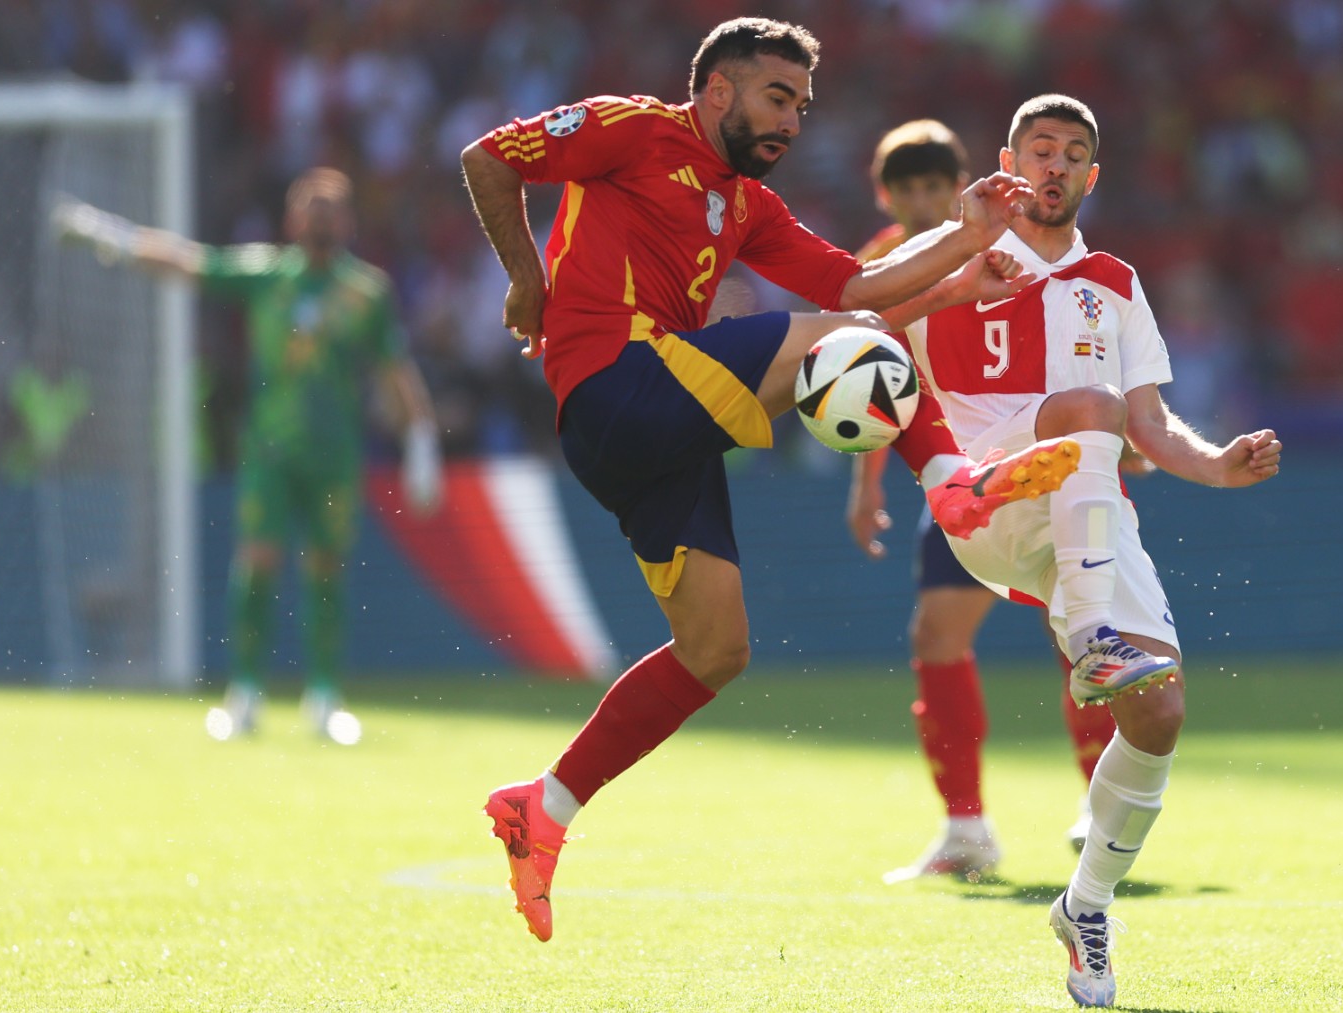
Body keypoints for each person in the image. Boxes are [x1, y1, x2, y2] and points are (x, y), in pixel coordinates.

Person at [458, 17, 1085, 944]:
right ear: (718, 91)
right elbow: (487, 158)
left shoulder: (746, 205)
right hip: (617, 383)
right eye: (777, 97)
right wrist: (525, 282)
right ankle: (952, 485)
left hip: (651, 433)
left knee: (716, 649)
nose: (792, 119)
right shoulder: (634, 128)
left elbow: (855, 283)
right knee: (852, 351)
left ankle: (542, 808)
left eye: (803, 103)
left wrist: (965, 239)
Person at [886, 95, 1282, 1008]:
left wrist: (1217, 467)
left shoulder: (1114, 281)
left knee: (1162, 713)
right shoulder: (955, 246)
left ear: (1091, 177)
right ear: (1008, 161)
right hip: (983, 497)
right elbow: (857, 324)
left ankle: (1086, 905)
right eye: (1040, 150)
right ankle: (1092, 646)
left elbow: (1150, 423)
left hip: (1082, 510)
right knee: (1086, 410)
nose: (1055, 165)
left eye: (1072, 154)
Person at [52, 168, 442, 745]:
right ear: (291, 218)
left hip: (334, 453)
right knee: (258, 560)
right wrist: (116, 237)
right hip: (270, 449)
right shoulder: (264, 276)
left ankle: (325, 697)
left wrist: (422, 438)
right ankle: (246, 692)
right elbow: (188, 262)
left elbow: (393, 369)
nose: (321, 215)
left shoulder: (365, 292)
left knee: (325, 567)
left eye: (332, 206)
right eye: (311, 205)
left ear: (349, 221)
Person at [844, 120, 1118, 884]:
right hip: (962, 476)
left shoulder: (1017, 237)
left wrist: (1117, 427)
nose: (927, 200)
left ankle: (1104, 806)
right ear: (887, 195)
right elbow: (871, 381)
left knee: (1083, 641)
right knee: (936, 634)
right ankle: (966, 829)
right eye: (911, 189)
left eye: (938, 185)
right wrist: (866, 486)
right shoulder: (880, 267)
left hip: (1048, 459)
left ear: (963, 181)